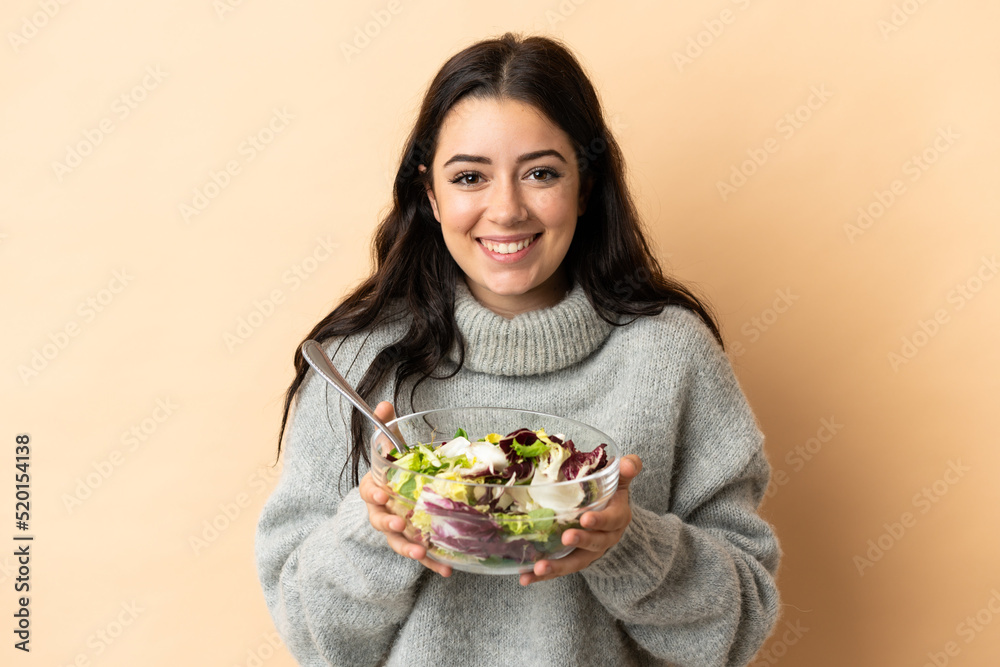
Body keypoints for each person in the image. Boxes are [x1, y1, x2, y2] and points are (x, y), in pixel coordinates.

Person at [255, 32, 781, 667]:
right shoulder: (358, 362)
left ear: (586, 186)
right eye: (470, 177)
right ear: (431, 194)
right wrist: (375, 530)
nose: (505, 210)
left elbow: (739, 624)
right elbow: (312, 638)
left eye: (540, 173)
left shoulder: (671, 355)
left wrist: (627, 543)